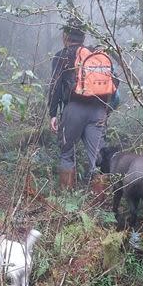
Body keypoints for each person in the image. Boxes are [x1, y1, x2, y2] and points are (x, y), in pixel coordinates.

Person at [47, 21, 114, 192]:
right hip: (99, 109)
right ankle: (99, 206)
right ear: (84, 37)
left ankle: (67, 200)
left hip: (74, 108)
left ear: (65, 37)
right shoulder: (96, 56)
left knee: (66, 153)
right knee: (98, 158)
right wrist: (105, 110)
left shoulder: (62, 56)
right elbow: (115, 84)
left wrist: (52, 113)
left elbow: (55, 85)